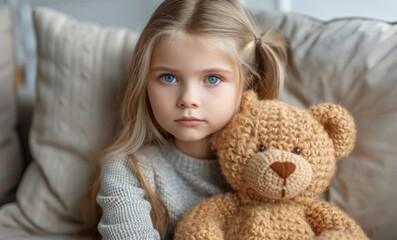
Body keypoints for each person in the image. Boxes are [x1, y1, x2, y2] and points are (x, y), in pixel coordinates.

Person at [81, 0, 289, 239]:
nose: (188, 99)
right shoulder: (128, 170)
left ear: (247, 83)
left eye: (212, 79)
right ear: (144, 82)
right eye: (168, 77)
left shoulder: (275, 165)